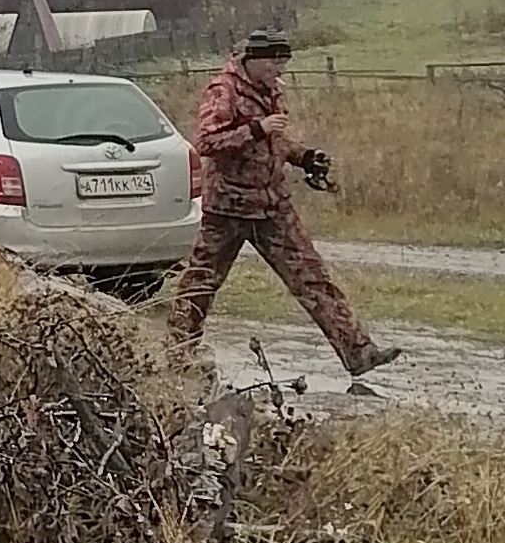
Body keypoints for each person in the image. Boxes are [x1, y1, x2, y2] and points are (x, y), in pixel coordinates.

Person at [166, 27, 398, 380]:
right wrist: (256, 128)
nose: (280, 70)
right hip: (227, 208)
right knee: (201, 283)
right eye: (274, 62)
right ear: (252, 60)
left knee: (314, 279)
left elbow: (274, 139)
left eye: (283, 62)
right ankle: (176, 355)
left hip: (273, 207)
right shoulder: (223, 91)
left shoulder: (270, 91)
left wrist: (303, 156)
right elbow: (208, 142)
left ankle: (359, 353)